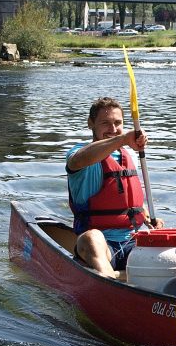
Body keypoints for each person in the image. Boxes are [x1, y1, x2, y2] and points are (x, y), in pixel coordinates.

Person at [66, 96, 163, 278]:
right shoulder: (78, 154)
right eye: (105, 123)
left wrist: (148, 218)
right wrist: (123, 139)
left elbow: (127, 200)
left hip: (132, 242)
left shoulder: (131, 156)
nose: (113, 129)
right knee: (92, 237)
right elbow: (80, 159)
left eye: (118, 123)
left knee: (171, 243)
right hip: (100, 247)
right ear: (90, 124)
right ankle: (110, 284)